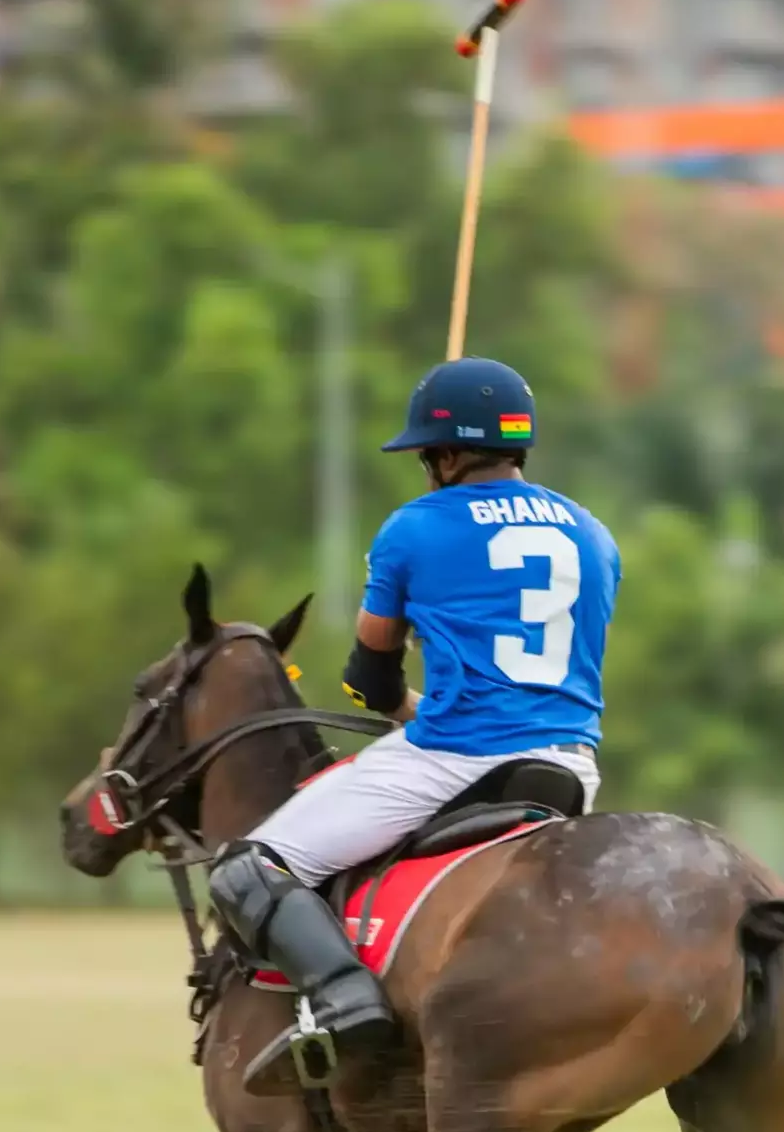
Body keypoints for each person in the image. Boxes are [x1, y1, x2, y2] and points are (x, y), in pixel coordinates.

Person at [207, 357, 621, 1087]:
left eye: (429, 453)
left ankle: (344, 999)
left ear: (447, 453)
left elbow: (369, 676)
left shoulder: (413, 529)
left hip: (458, 755)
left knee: (249, 866)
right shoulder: (595, 534)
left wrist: (411, 710)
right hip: (572, 765)